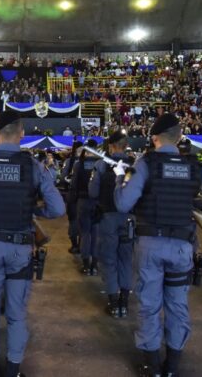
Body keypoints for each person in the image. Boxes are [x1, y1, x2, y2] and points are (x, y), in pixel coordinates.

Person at [114, 114, 202, 377]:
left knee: (149, 304)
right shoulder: (194, 166)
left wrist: (120, 180)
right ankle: (173, 366)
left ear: (154, 138)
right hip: (182, 247)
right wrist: (196, 203)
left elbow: (123, 204)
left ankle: (153, 367)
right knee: (178, 304)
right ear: (179, 138)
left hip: (149, 246)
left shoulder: (144, 164)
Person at [0, 110, 65, 377]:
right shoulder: (33, 166)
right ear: (21, 134)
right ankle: (13, 371)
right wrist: (34, 211)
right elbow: (58, 208)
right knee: (17, 314)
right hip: (20, 248)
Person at [88, 131, 133, 318]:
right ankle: (125, 300)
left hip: (108, 217)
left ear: (111, 146)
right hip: (129, 218)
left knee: (109, 260)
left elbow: (92, 192)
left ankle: (114, 302)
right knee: (126, 259)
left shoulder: (100, 165)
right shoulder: (135, 166)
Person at [69, 139, 100, 275]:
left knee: (85, 234)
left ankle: (86, 264)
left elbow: (74, 185)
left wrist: (72, 202)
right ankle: (95, 265)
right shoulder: (101, 164)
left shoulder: (79, 164)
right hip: (98, 203)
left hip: (83, 201)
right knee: (95, 234)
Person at [61, 141, 83, 254]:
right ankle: (79, 245)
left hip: (73, 196)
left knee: (73, 221)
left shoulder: (69, 162)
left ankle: (75, 245)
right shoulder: (89, 163)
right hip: (83, 197)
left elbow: (63, 177)